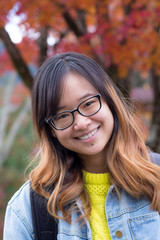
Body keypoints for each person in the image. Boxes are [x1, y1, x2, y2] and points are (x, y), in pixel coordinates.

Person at [3, 52, 160, 240]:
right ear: (50, 129)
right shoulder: (27, 209)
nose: (81, 123)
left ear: (109, 100)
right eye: (62, 116)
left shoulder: (155, 178)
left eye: (88, 103)